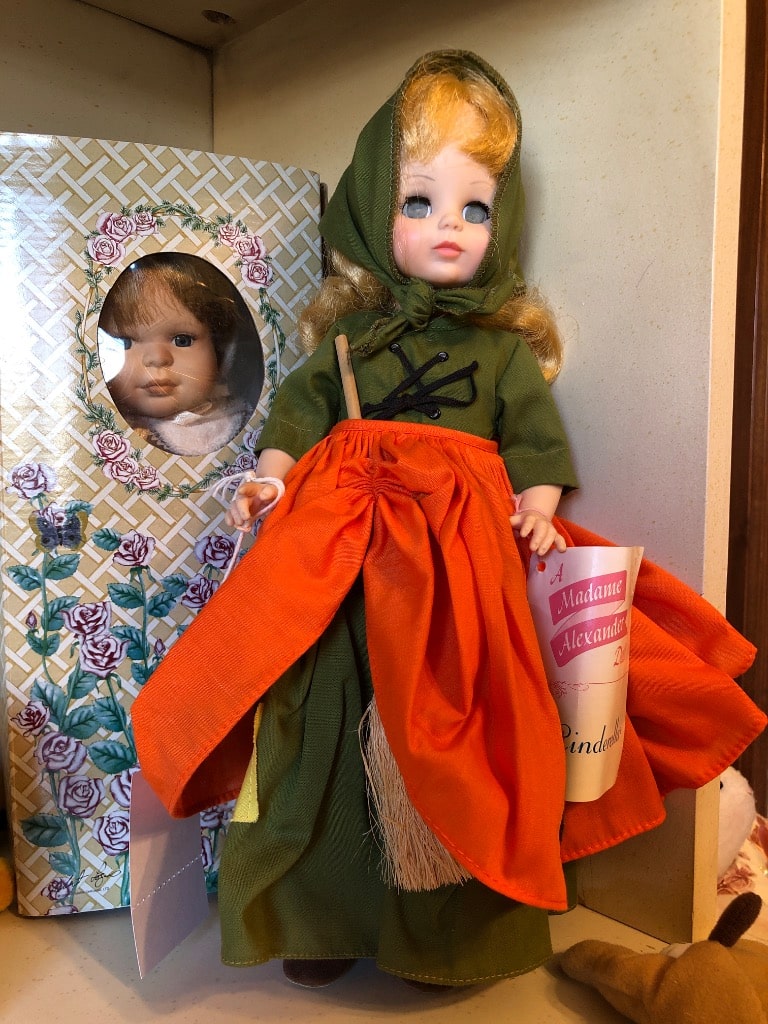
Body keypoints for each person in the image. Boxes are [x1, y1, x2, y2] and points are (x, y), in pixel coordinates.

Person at [132, 51, 766, 990]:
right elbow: (298, 418)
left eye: (476, 208)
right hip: (345, 563)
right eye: (421, 201)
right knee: (317, 725)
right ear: (371, 213)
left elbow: (534, 440)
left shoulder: (500, 353)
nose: (450, 227)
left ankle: (447, 938)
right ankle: (317, 920)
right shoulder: (347, 344)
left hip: (456, 570)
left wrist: (538, 508)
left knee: (456, 733)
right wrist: (270, 478)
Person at [98, 252, 262, 456]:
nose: (158, 358)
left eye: (182, 340)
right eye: (125, 343)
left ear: (221, 350)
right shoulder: (109, 435)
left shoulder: (246, 420)